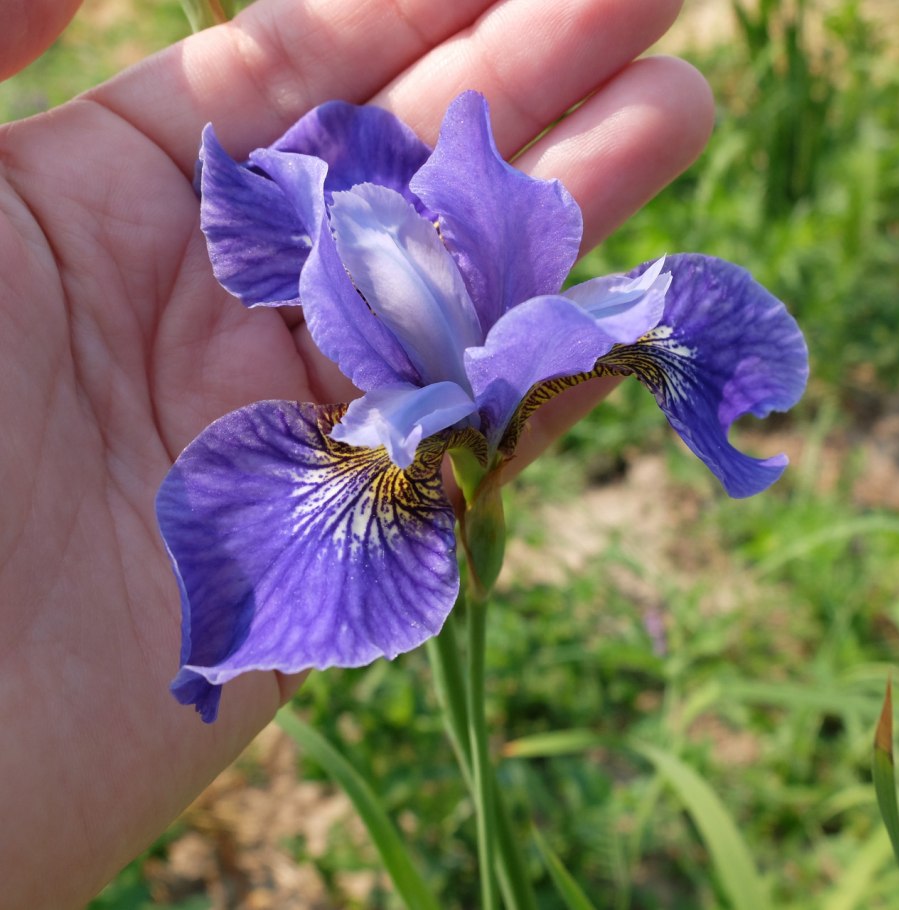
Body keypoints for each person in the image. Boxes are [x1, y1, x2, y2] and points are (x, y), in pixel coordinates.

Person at [0, 0, 714, 906]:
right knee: (240, 625)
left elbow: (572, 319)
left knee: (650, 317)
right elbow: (315, 204)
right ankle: (218, 657)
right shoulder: (349, 250)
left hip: (467, 422)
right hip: (411, 436)